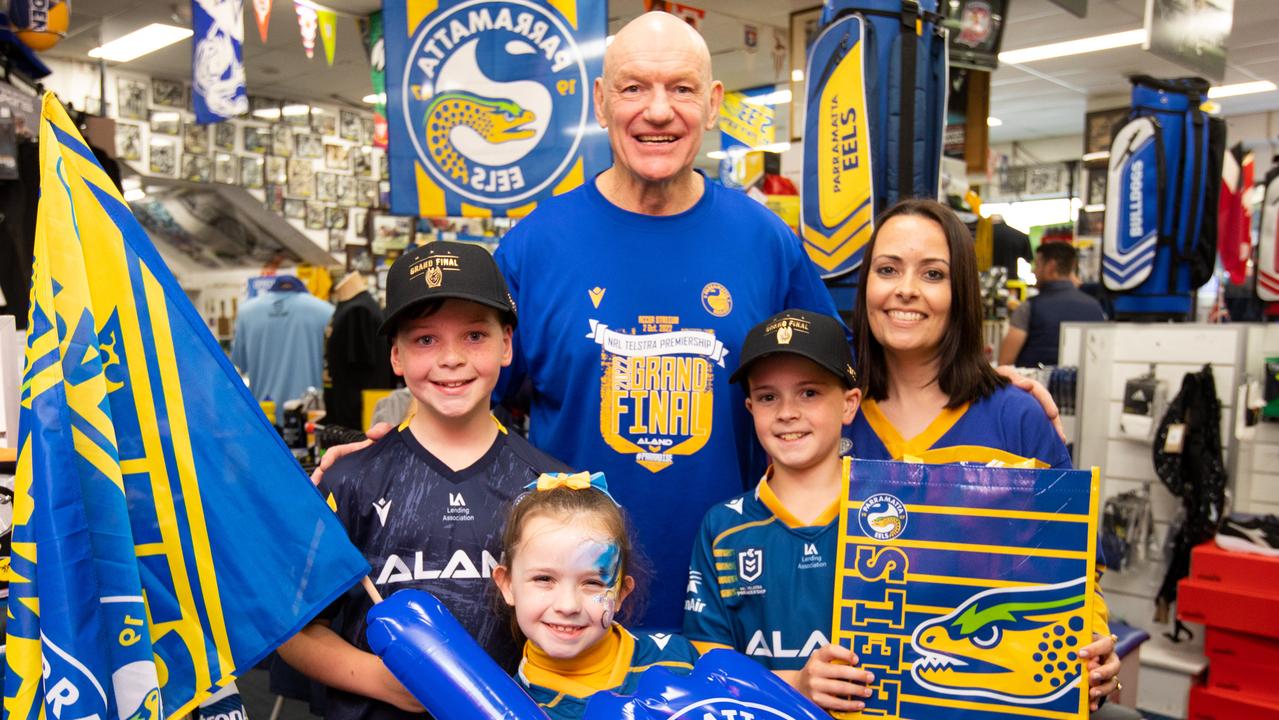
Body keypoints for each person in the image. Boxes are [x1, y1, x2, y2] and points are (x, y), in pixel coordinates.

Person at [490, 11, 844, 630]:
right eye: (634, 87)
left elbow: (840, 395)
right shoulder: (534, 247)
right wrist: (394, 446)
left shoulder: (765, 241)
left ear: (711, 105)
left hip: (741, 610)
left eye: (680, 88)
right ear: (601, 102)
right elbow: (468, 402)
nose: (658, 111)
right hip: (573, 614)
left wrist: (981, 389)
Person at [843, 199, 1120, 710]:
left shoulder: (1017, 417)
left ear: (962, 294)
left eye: (933, 273)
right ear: (866, 288)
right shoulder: (827, 415)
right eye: (887, 270)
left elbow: (1079, 571)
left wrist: (1096, 648)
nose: (906, 289)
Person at [278, 241, 569, 720]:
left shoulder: (551, 486)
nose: (451, 358)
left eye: (475, 335)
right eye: (425, 340)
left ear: (506, 344)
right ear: (395, 356)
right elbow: (294, 631)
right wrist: (381, 679)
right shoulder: (350, 480)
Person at [683, 309, 875, 714]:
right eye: (769, 396)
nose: (787, 412)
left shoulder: (888, 515)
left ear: (849, 403)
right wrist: (797, 686)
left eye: (809, 392)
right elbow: (707, 671)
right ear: (751, 407)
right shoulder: (723, 528)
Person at [493, 474, 700, 719]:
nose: (568, 605)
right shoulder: (507, 708)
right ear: (507, 585)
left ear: (622, 593)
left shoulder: (679, 663)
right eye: (544, 579)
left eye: (592, 583)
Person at [999, 242, 1106, 367]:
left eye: (1037, 265)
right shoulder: (1095, 307)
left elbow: (1005, 363)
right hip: (1085, 384)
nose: (1034, 271)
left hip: (1034, 384)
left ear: (1050, 266)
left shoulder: (1029, 308)